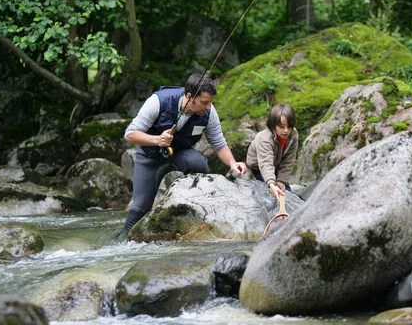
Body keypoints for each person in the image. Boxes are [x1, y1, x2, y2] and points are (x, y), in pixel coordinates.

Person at [122, 74, 246, 232]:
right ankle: (124, 241)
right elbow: (130, 134)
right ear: (189, 97)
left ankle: (194, 212)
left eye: (210, 102)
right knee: (140, 208)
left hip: (179, 154)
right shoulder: (158, 101)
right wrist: (157, 140)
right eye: (204, 102)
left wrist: (232, 163)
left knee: (199, 163)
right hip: (149, 156)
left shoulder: (209, 112)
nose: (208, 107)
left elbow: (218, 142)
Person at [246, 103, 298, 198]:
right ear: (273, 125)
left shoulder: (293, 135)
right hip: (258, 165)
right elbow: (266, 163)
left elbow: (288, 160)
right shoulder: (264, 138)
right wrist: (271, 184)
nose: (286, 130)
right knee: (270, 193)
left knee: (287, 193)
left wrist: (281, 181)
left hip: (277, 163)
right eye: (281, 127)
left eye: (289, 126)